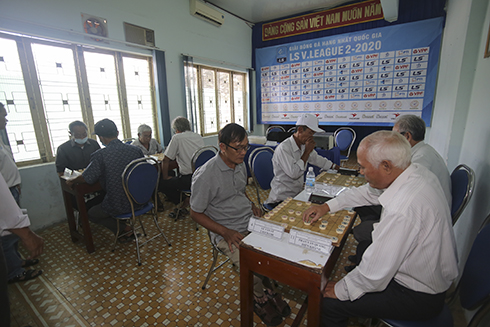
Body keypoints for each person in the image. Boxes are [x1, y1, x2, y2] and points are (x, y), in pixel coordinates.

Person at [302, 131, 458, 326]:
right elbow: (366, 193)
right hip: (427, 276)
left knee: (329, 304)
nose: (360, 171)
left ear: (386, 166)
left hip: (418, 295)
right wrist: (326, 206)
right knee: (363, 248)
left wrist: (342, 289)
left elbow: (375, 273)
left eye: (362, 167)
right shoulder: (414, 172)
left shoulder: (404, 207)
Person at [190, 123, 290, 326]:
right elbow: (195, 212)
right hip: (226, 230)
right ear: (222, 147)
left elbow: (238, 191)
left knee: (278, 244)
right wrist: (225, 232)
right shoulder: (206, 175)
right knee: (249, 261)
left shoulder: (239, 162)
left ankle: (265, 285)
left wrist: (251, 204)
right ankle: (259, 294)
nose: (243, 153)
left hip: (248, 219)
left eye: (246, 146)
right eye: (238, 147)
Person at [347, 115, 453, 270]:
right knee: (364, 206)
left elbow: (389, 194)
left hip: (420, 252)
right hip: (426, 223)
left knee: (363, 229)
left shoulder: (419, 161)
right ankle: (365, 251)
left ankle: (368, 253)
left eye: (393, 136)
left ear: (407, 137)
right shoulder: (421, 156)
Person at [67, 118, 145, 242]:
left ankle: (124, 229)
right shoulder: (136, 151)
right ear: (117, 133)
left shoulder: (101, 155)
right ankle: (124, 231)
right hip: (141, 199)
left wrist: (72, 180)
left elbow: (87, 177)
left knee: (92, 212)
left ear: (101, 137)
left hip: (120, 203)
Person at [265, 114, 340, 207]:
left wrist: (335, 167)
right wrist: (307, 152)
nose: (311, 137)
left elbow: (316, 159)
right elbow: (294, 173)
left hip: (297, 194)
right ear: (300, 130)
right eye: (310, 133)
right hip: (281, 199)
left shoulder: (303, 145)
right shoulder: (284, 149)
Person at [1, 172, 45, 285]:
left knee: (11, 238)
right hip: (6, 193)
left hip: (9, 186)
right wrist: (27, 235)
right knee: (6, 240)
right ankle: (14, 272)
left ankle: (16, 261)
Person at [160, 116, 204, 215]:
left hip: (188, 179)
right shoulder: (198, 136)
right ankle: (188, 197)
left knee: (162, 183)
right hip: (202, 176)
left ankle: (184, 199)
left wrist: (166, 176)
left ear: (177, 130)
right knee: (175, 176)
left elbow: (166, 160)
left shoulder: (177, 138)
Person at [0, 102, 22, 204]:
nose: (6, 120)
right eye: (4, 116)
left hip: (11, 187)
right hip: (4, 191)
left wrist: (16, 182)